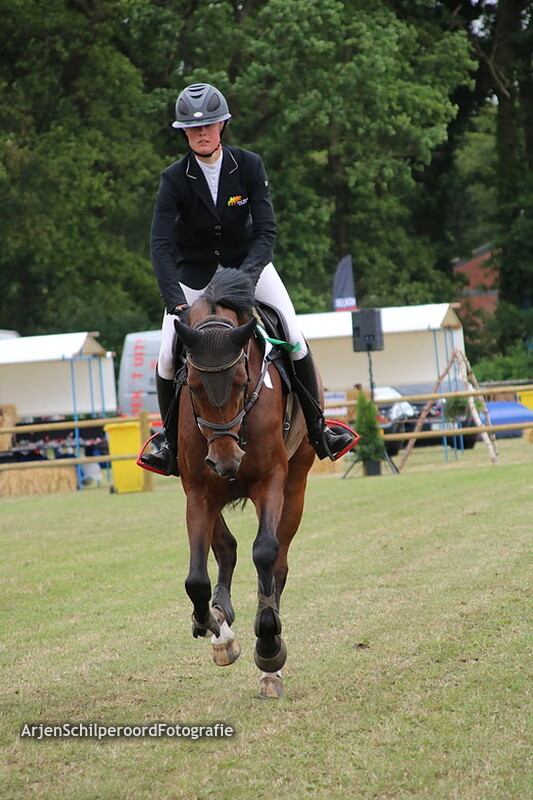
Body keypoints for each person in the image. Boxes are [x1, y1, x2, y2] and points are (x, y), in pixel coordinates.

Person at [139, 82, 356, 476]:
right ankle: (169, 444)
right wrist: (175, 301)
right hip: (194, 277)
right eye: (192, 128)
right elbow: (161, 246)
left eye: (208, 126)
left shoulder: (250, 165)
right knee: (168, 355)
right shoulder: (173, 179)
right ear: (184, 132)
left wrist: (244, 278)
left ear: (222, 125)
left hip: (250, 270)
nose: (201, 133)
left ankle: (320, 428)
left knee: (292, 335)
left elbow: (266, 232)